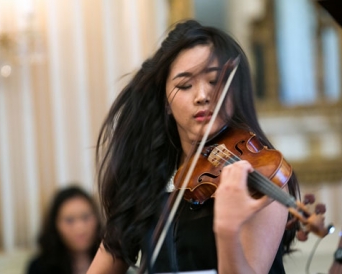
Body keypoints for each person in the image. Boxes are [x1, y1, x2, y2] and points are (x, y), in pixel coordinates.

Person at [88, 19, 300, 274]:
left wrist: (227, 229)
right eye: (185, 85)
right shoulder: (145, 179)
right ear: (166, 101)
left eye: (213, 81)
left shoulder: (259, 175)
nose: (202, 96)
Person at [27, 185, 102, 274]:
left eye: (85, 217)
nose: (80, 228)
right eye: (69, 220)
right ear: (55, 225)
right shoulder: (39, 267)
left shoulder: (112, 259)